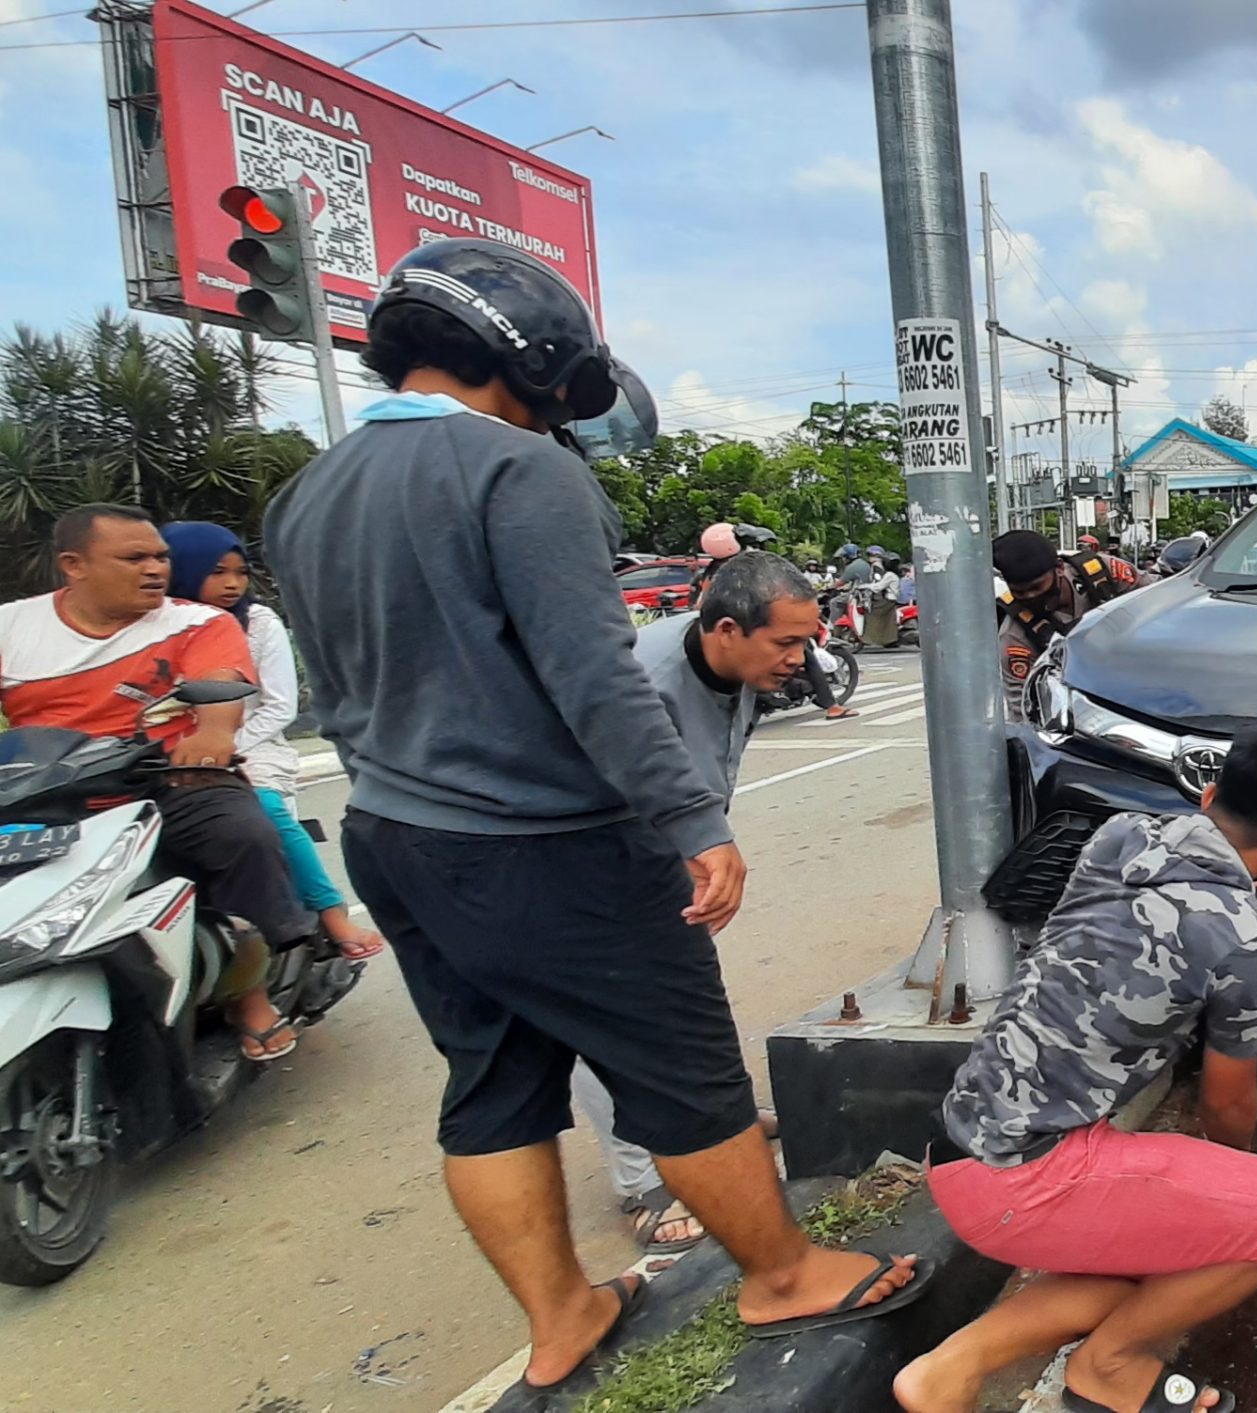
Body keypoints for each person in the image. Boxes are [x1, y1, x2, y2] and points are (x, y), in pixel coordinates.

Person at [263, 237, 927, 1393]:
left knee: (492, 1086)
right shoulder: (519, 470)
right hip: (543, 839)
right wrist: (693, 821)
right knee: (682, 1064)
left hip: (395, 835)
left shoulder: (306, 493)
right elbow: (596, 676)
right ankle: (781, 1275)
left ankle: (563, 1312)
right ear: (533, 359)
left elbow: (334, 690)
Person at [893, 718, 1257, 1413]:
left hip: (959, 1145)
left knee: (1141, 1268)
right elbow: (1226, 1106)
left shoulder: (1120, 837)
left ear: (1209, 793)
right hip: (1027, 1178)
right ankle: (1109, 1365)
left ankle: (948, 1369)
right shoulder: (1246, 942)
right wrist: (1231, 1194)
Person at [568, 550, 822, 1254]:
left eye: (805, 641)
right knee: (610, 1018)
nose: (799, 659)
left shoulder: (735, 665)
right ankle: (642, 1178)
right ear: (729, 629)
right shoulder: (642, 681)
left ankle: (720, 1117)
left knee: (687, 995)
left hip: (675, 854)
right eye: (786, 642)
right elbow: (601, 793)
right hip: (601, 859)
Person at [0, 505, 316, 1062]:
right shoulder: (13, 626)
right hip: (50, 794)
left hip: (172, 779)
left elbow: (221, 686)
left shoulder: (197, 622)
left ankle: (250, 992)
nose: (155, 569)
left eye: (160, 557)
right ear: (74, 565)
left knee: (241, 836)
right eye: (134, 558)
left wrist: (212, 734)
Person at [160, 521, 385, 964]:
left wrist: (223, 746)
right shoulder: (155, 625)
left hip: (253, 744)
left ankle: (331, 912)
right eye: (217, 572)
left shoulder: (259, 623)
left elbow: (280, 707)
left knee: (262, 806)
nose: (232, 584)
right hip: (163, 756)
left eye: (240, 572)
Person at [992, 528, 1148, 720]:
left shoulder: (1103, 574)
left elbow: (1163, 603)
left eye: (1037, 587)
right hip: (1087, 707)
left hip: (1144, 671)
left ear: (1059, 568)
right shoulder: (1016, 636)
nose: (1031, 597)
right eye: (1020, 592)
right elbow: (1023, 710)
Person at [700, 522, 848, 719]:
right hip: (749, 621)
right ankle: (830, 705)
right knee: (807, 654)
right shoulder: (746, 567)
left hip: (717, 625)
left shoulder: (711, 570)